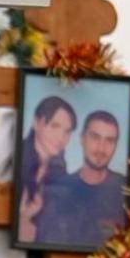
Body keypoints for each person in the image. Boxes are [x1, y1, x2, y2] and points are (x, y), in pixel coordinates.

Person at [34, 106, 130, 249]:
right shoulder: (58, 190)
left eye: (109, 140)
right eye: (95, 137)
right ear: (82, 139)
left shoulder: (128, 192)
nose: (101, 148)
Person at [14, 93, 78, 244]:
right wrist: (22, 218)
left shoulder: (61, 175)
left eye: (67, 131)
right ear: (37, 123)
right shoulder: (15, 158)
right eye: (55, 126)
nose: (61, 138)